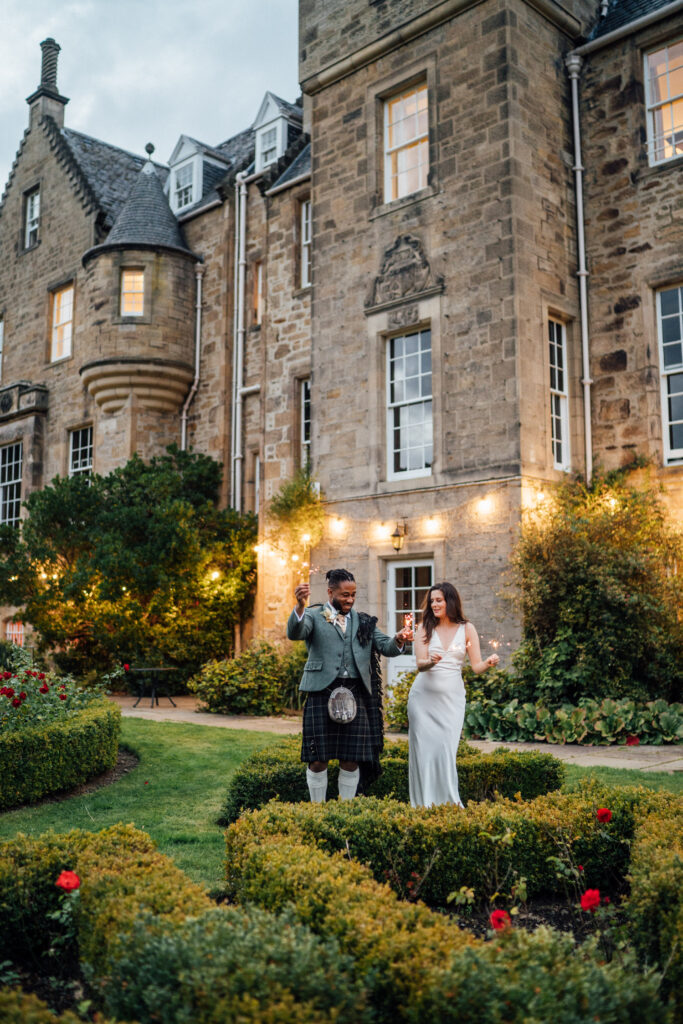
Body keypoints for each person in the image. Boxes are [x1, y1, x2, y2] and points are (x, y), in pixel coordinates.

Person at [288, 568, 413, 803]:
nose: (350, 599)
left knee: (351, 757)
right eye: (345, 595)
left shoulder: (363, 621)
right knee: (317, 759)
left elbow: (386, 646)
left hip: (356, 695)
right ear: (330, 592)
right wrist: (299, 606)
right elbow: (296, 632)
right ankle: (317, 810)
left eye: (353, 594)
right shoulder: (313, 615)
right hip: (320, 692)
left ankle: (346, 809)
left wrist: (398, 639)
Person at [408, 581, 499, 808]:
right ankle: (423, 804)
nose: (435, 604)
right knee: (424, 754)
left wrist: (488, 663)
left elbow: (475, 666)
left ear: (451, 601)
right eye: (432, 601)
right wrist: (430, 662)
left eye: (439, 600)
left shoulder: (467, 628)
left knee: (446, 750)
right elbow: (420, 664)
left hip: (451, 701)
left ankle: (448, 803)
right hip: (423, 701)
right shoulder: (424, 628)